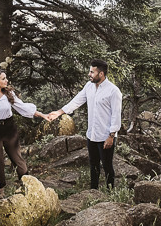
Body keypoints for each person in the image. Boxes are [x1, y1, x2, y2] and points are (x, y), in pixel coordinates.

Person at [47, 59, 122, 189]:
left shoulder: (113, 91)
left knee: (107, 165)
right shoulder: (89, 86)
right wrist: (59, 112)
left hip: (106, 135)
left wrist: (111, 135)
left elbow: (116, 115)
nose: (89, 74)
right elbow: (76, 101)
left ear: (101, 74)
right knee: (93, 164)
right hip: (91, 134)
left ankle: (111, 193)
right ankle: (93, 190)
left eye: (92, 72)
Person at [0, 68, 47, 196]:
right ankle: (0, 193)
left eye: (6, 78)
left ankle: (28, 185)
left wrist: (41, 114)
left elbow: (22, 107)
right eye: (3, 79)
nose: (6, 80)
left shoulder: (8, 94)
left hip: (9, 128)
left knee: (17, 159)